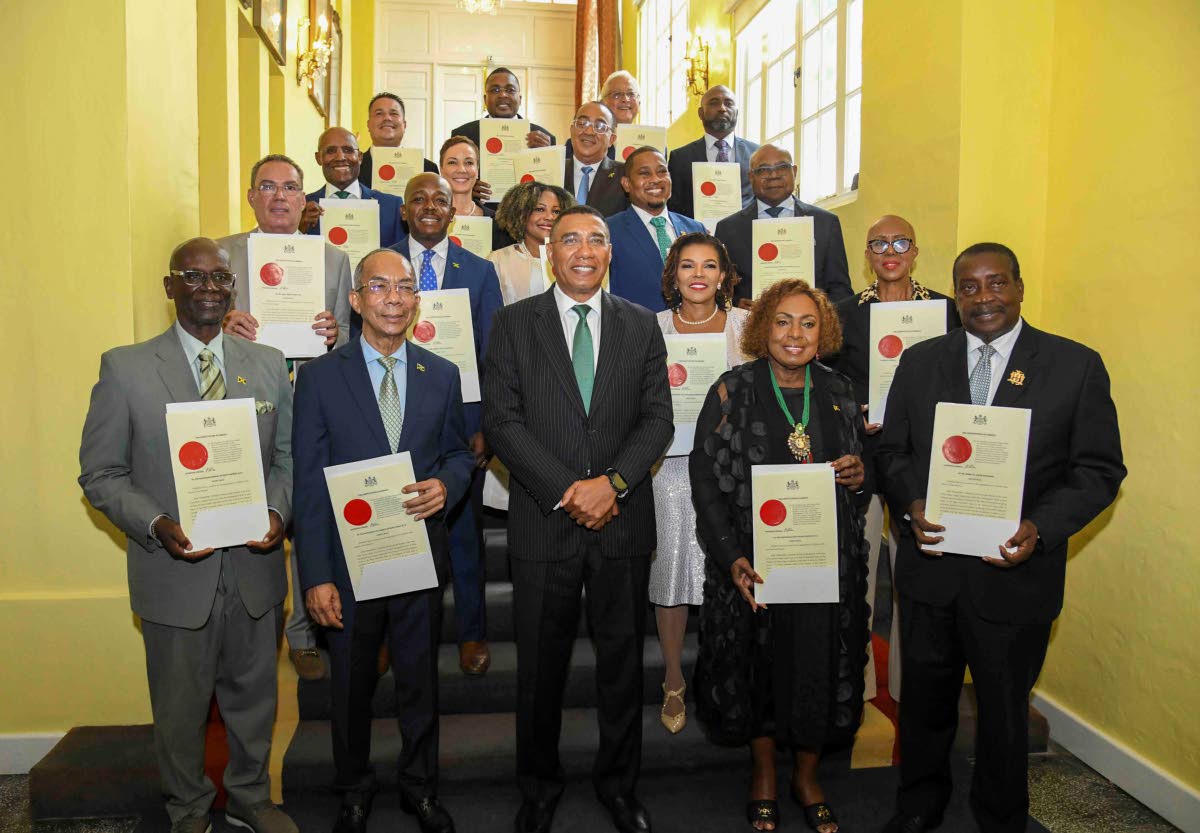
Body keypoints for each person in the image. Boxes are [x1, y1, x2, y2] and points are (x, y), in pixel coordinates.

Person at [876, 243, 1126, 833]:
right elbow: (892, 452)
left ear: (1019, 287)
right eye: (968, 286)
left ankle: (1001, 815)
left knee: (1004, 711)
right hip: (932, 568)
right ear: (956, 293)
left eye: (996, 284)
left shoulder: (1075, 365)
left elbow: (1098, 470)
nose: (983, 297)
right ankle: (918, 805)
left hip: (1016, 574)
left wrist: (1040, 527)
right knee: (926, 703)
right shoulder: (920, 361)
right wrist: (910, 503)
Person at [79, 238, 297, 833]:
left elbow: (286, 460)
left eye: (219, 279)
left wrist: (277, 515)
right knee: (179, 709)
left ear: (233, 289)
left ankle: (252, 798)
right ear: (169, 285)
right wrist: (156, 524)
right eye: (192, 277)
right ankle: (189, 808)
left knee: (255, 700)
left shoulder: (269, 363)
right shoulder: (125, 368)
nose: (207, 288)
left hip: (253, 568)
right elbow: (100, 473)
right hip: (174, 570)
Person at [482, 205, 674, 833]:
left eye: (597, 240)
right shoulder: (514, 325)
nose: (584, 250)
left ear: (610, 253)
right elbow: (503, 422)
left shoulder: (642, 325)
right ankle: (538, 787)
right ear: (549, 251)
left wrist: (612, 485)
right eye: (570, 240)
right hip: (546, 522)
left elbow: (657, 421)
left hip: (621, 523)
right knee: (539, 671)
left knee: (622, 666)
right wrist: (570, 489)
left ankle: (619, 786)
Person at [293, 249, 474, 833]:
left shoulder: (441, 374)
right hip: (349, 565)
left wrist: (447, 485)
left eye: (403, 288)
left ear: (415, 301)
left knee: (420, 681)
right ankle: (353, 788)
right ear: (355, 300)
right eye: (379, 286)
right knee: (350, 685)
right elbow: (308, 481)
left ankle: (419, 787)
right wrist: (315, 574)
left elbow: (456, 454)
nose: (393, 298)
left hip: (419, 554)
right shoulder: (319, 378)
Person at [690, 279, 870, 833]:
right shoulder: (730, 392)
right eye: (784, 321)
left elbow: (861, 474)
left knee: (820, 666)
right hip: (755, 565)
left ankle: (807, 776)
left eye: (809, 323)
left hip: (824, 565)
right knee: (758, 668)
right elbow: (706, 482)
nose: (796, 333)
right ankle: (765, 772)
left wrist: (862, 478)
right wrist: (729, 558)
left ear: (825, 332)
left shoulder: (839, 391)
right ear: (763, 327)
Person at [217, 153, 351, 681]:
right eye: (267, 186)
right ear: (251, 196)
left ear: (304, 198)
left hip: (311, 400)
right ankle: (257, 629)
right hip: (245, 405)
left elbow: (344, 335)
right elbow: (195, 330)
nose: (279, 196)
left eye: (290, 187)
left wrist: (334, 331)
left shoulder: (335, 260)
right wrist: (222, 323)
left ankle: (304, 632)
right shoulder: (223, 254)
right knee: (260, 514)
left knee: (312, 510)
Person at [826, 215, 960, 702]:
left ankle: (910, 685)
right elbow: (827, 381)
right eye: (878, 242)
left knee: (917, 569)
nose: (890, 250)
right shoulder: (842, 313)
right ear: (867, 254)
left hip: (922, 459)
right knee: (858, 565)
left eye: (901, 241)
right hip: (861, 453)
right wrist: (853, 409)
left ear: (915, 250)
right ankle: (855, 683)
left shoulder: (947, 312)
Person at [387, 172, 504, 675]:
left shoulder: (478, 271)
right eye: (420, 199)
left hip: (463, 422)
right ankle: (392, 634)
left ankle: (472, 632)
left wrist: (488, 425)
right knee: (396, 525)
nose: (430, 206)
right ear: (404, 210)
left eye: (440, 199)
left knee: (463, 531)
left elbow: (494, 354)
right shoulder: (383, 266)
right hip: (397, 414)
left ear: (452, 211)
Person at [649, 232, 750, 736]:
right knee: (670, 571)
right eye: (687, 266)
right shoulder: (651, 327)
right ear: (673, 276)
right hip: (667, 465)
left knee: (725, 569)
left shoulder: (746, 326)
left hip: (729, 468)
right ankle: (673, 677)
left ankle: (723, 672)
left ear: (724, 276)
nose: (698, 275)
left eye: (709, 266)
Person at [714, 145, 853, 306]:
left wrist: (817, 310)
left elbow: (840, 290)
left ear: (794, 171)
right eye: (763, 169)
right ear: (751, 177)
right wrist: (736, 304)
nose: (773, 175)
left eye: (782, 167)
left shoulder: (826, 223)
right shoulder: (728, 229)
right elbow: (719, 288)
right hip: (749, 326)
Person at [606, 146, 705, 312]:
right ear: (627, 184)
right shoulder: (608, 230)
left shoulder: (696, 229)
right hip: (635, 332)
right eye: (644, 173)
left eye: (662, 172)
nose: (655, 179)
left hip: (691, 333)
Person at [450, 66, 557, 205]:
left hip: (526, 217)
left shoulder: (544, 138)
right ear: (485, 99)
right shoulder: (463, 134)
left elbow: (554, 190)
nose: (502, 95)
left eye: (510, 90)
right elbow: (448, 177)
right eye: (495, 90)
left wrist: (548, 154)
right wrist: (466, 186)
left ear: (519, 98)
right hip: (480, 214)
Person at [299, 126, 404, 249]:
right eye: (331, 151)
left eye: (348, 150)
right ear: (318, 158)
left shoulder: (391, 206)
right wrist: (300, 231)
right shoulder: (301, 208)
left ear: (359, 157)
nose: (340, 157)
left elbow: (402, 259)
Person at [667, 85, 759, 220]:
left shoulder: (756, 154)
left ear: (737, 113)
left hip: (745, 237)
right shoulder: (680, 157)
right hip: (697, 236)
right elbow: (674, 208)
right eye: (714, 103)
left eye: (728, 103)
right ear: (700, 113)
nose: (722, 108)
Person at [489, 181, 575, 304]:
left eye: (556, 211)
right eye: (539, 209)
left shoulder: (575, 258)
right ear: (520, 214)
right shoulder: (498, 260)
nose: (549, 217)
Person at [438, 135, 512, 252]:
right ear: (441, 170)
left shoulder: (499, 224)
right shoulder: (428, 218)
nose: (461, 169)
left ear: (477, 170)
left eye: (469, 162)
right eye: (452, 162)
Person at [359, 92, 438, 189]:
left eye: (393, 113)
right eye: (379, 114)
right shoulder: (354, 168)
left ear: (404, 125)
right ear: (368, 124)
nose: (387, 118)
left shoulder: (427, 169)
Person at [564, 101, 628, 217]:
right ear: (572, 130)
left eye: (600, 126)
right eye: (582, 123)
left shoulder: (625, 174)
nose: (589, 132)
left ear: (611, 140)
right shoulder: (554, 169)